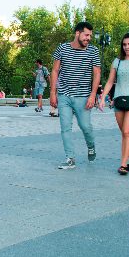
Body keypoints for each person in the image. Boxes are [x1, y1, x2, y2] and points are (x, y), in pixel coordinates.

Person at [50, 21, 101, 170]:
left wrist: (93, 96)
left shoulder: (93, 51)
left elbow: (97, 73)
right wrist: (53, 93)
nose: (88, 38)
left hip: (83, 96)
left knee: (85, 126)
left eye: (90, 35)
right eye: (86, 35)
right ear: (77, 33)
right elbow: (54, 71)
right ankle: (70, 158)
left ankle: (91, 146)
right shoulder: (62, 48)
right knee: (65, 127)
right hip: (64, 95)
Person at [99, 33, 129, 175]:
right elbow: (110, 81)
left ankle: (123, 165)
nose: (127, 47)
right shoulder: (117, 62)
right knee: (126, 133)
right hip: (119, 100)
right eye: (124, 44)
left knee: (126, 131)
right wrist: (102, 98)